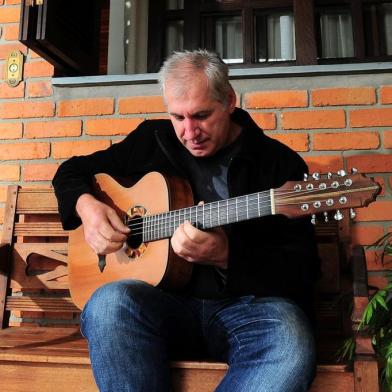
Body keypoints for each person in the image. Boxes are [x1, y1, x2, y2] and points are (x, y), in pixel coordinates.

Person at [53, 49, 320, 392]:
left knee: (290, 338)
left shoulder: (277, 163)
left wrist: (227, 256)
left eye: (201, 115)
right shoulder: (152, 141)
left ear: (229, 101)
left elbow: (304, 269)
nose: (189, 131)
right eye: (177, 117)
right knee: (107, 304)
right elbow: (70, 172)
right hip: (163, 306)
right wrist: (87, 207)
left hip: (245, 309)